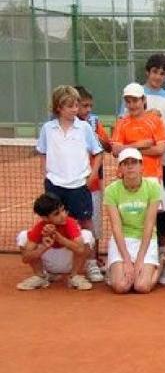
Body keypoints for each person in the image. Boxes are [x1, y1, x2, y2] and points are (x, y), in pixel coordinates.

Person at [37, 85, 102, 278]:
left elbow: (98, 153)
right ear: (59, 108)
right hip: (54, 185)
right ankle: (50, 265)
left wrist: (91, 176)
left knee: (86, 221)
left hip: (78, 185)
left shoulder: (84, 128)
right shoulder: (48, 129)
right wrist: (46, 174)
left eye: (76, 105)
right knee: (50, 221)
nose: (75, 109)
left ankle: (90, 263)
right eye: (71, 106)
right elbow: (42, 152)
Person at [111, 82, 165, 249]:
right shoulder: (122, 123)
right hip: (128, 178)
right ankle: (131, 251)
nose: (132, 105)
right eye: (128, 101)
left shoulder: (155, 121)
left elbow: (159, 149)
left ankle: (156, 255)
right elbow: (115, 150)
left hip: (152, 177)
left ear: (143, 100)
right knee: (130, 216)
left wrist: (129, 149)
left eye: (135, 100)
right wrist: (142, 144)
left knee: (153, 220)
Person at [104, 148, 162, 294]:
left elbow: (149, 225)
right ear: (120, 168)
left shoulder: (153, 187)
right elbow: (116, 228)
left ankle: (162, 264)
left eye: (134, 162)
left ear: (141, 166)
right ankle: (112, 269)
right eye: (125, 163)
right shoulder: (111, 190)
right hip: (123, 240)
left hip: (146, 240)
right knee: (122, 287)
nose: (130, 166)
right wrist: (128, 261)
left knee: (141, 286)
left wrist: (140, 259)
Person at [15, 193, 94, 291]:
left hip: (69, 262)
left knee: (87, 235)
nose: (63, 215)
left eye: (63, 210)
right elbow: (25, 258)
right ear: (45, 218)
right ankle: (40, 277)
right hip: (49, 264)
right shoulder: (40, 227)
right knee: (23, 236)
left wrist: (60, 239)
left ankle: (74, 276)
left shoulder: (70, 222)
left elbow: (81, 250)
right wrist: (44, 247)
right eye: (57, 213)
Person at [75, 85, 111, 282]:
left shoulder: (95, 122)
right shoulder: (60, 124)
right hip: (71, 182)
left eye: (90, 106)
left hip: (94, 181)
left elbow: (107, 145)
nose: (88, 110)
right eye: (84, 106)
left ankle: (94, 260)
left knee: (94, 223)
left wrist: (97, 137)